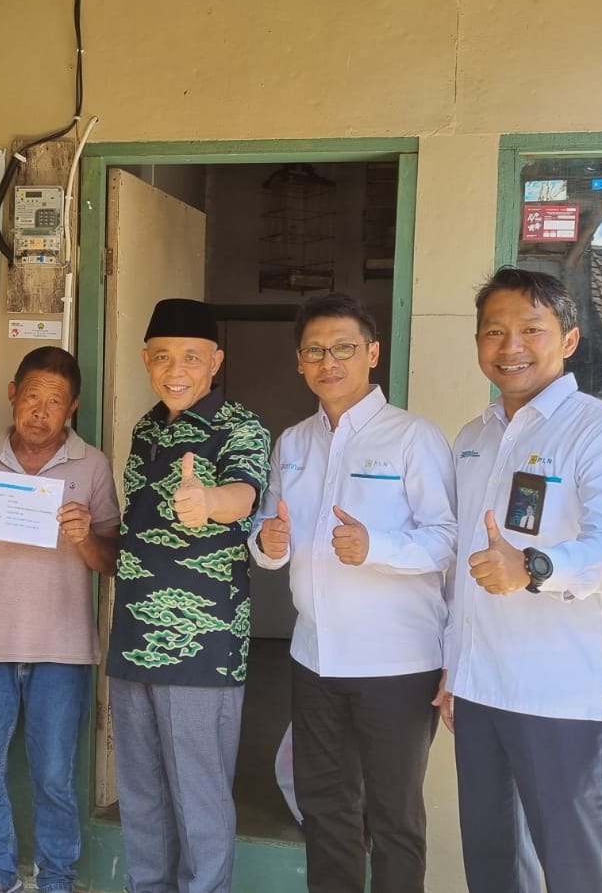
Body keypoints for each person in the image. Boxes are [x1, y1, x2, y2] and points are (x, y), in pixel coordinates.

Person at [441, 267, 602, 893]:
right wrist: (456, 668)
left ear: (568, 339)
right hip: (481, 692)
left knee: (580, 872)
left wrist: (533, 567)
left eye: (531, 330)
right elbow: (460, 567)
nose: (511, 347)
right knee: (494, 866)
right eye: (494, 332)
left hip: (566, 696)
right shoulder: (473, 438)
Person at [249, 293, 456, 893]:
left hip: (397, 664)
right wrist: (270, 541)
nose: (327, 361)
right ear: (299, 362)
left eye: (342, 348)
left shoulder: (413, 438)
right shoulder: (292, 443)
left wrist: (378, 547)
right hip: (314, 658)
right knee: (326, 809)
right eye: (314, 350)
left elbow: (446, 540)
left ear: (372, 353)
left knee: (392, 816)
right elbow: (269, 540)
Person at [0, 346, 121, 893]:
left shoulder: (92, 466)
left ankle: (57, 876)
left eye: (56, 401)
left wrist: (84, 535)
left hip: (63, 647)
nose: (41, 410)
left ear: (73, 408)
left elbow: (111, 562)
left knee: (54, 776)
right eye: (33, 396)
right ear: (13, 393)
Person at [106, 298, 269, 893]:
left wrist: (210, 504)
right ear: (146, 360)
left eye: (193, 357)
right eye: (164, 357)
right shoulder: (147, 427)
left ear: (216, 361)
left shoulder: (240, 425)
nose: (177, 369)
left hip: (202, 647)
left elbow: (244, 496)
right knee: (141, 795)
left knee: (199, 800)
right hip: (132, 640)